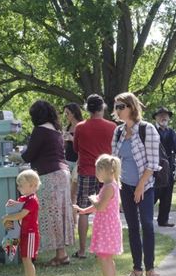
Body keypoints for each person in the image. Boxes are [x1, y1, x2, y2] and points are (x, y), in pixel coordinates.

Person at [112, 92, 163, 276]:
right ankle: (137, 268)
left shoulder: (146, 129)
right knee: (132, 227)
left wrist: (141, 185)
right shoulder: (117, 132)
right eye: (116, 107)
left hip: (146, 185)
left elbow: (153, 163)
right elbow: (114, 161)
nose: (117, 111)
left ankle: (150, 269)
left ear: (132, 107)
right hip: (125, 186)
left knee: (147, 225)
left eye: (121, 107)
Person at [21, 100, 74, 266]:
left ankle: (61, 254)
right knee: (60, 214)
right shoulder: (55, 130)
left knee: (51, 215)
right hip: (63, 173)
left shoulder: (40, 130)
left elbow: (29, 155)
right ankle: (61, 253)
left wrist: (17, 156)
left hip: (49, 175)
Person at [73, 94, 116, 258]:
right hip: (107, 174)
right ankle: (104, 248)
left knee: (83, 211)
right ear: (103, 107)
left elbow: (76, 148)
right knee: (106, 209)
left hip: (87, 171)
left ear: (87, 108)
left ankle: (82, 250)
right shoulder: (112, 127)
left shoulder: (80, 127)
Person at [74, 154, 123, 276]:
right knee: (107, 258)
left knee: (104, 259)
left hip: (107, 228)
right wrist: (84, 210)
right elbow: (100, 206)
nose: (96, 174)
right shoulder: (110, 185)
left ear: (108, 171)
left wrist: (93, 199)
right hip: (108, 227)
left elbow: (100, 207)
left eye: (98, 171)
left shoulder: (108, 187)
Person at [2, 170, 41, 276]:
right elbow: (16, 216)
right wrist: (8, 222)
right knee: (25, 259)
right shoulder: (23, 199)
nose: (18, 187)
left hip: (30, 234)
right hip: (22, 233)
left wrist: (7, 217)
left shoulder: (32, 200)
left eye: (21, 185)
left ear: (32, 185)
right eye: (18, 185)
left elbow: (21, 214)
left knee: (28, 260)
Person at [152, 107, 176, 227]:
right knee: (153, 194)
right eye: (161, 115)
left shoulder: (171, 132)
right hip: (154, 166)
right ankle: (142, 216)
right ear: (156, 117)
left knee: (167, 194)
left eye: (166, 115)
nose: (164, 117)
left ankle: (163, 220)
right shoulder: (151, 130)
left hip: (169, 167)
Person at [63, 103, 82, 205]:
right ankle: (72, 210)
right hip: (68, 160)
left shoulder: (82, 125)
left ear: (74, 113)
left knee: (77, 190)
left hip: (79, 161)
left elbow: (85, 144)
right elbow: (65, 146)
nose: (66, 116)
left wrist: (72, 138)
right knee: (69, 190)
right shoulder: (67, 127)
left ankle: (77, 210)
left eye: (67, 113)